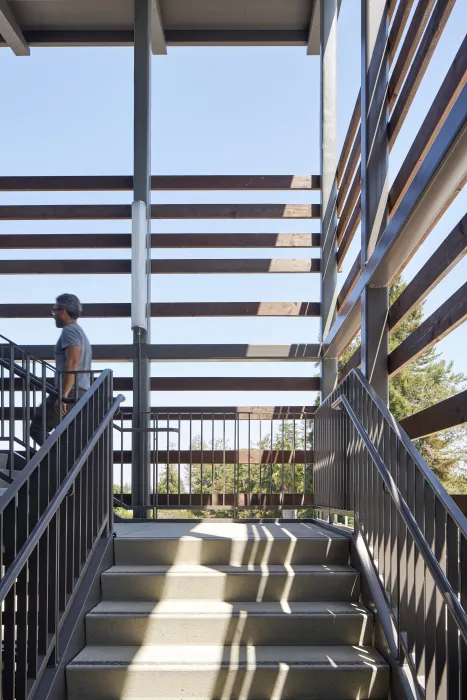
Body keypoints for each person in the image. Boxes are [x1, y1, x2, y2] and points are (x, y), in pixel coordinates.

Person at [30, 294, 92, 446]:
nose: (53, 315)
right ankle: (64, 464)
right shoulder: (80, 332)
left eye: (54, 311)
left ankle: (57, 464)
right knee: (67, 435)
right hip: (80, 391)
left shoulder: (69, 331)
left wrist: (63, 395)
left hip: (70, 391)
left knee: (37, 427)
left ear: (63, 311)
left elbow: (73, 361)